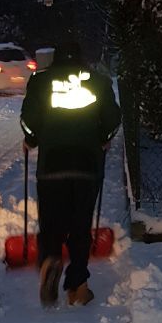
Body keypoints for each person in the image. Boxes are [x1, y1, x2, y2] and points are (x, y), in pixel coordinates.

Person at [20, 39, 122, 306]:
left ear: (55, 58)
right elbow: (113, 120)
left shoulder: (40, 82)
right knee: (80, 224)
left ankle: (51, 260)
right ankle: (78, 286)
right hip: (87, 165)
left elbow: (28, 120)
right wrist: (103, 138)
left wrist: (31, 140)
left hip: (52, 166)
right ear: (81, 58)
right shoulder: (99, 82)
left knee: (51, 221)